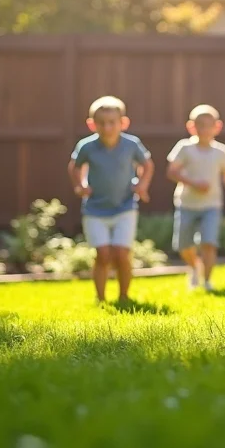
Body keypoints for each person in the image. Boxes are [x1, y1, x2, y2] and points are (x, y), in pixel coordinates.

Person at [68, 96, 154, 304]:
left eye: (112, 123)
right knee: (104, 254)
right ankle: (100, 298)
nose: (107, 128)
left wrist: (142, 185)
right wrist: (79, 186)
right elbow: (74, 166)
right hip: (95, 209)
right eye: (101, 123)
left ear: (123, 123)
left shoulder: (131, 145)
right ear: (92, 124)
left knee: (122, 254)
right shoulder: (87, 146)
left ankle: (124, 296)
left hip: (125, 207)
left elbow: (148, 165)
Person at [166, 104, 225, 291]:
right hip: (186, 204)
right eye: (200, 125)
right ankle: (194, 267)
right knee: (184, 245)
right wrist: (192, 183)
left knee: (209, 243)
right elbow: (172, 172)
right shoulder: (184, 148)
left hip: (212, 205)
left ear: (218, 127)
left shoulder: (221, 151)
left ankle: (207, 281)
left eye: (209, 125)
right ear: (192, 127)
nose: (205, 130)